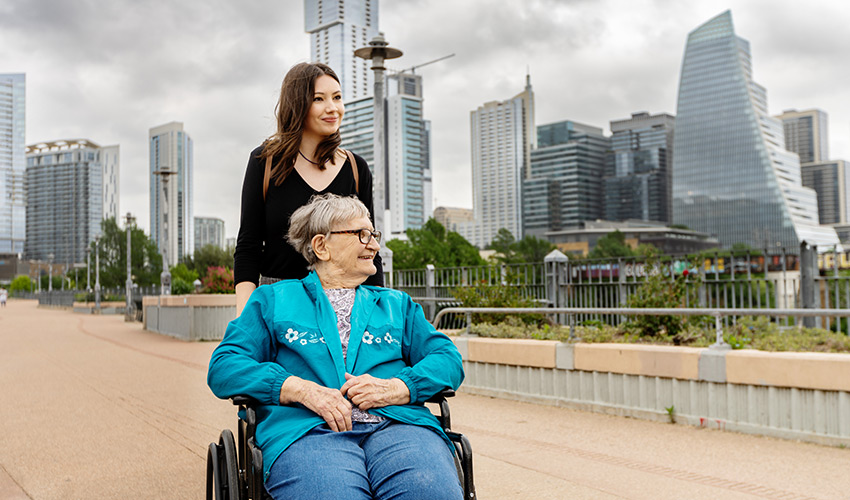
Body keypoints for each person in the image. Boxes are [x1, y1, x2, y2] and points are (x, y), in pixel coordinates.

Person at [208, 194, 464, 500]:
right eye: (361, 235)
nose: (374, 245)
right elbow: (225, 365)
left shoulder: (398, 305)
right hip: (307, 432)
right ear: (321, 246)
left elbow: (448, 359)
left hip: (400, 426)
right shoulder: (274, 300)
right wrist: (299, 389)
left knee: (430, 491)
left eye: (373, 235)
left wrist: (399, 387)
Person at [234, 62, 383, 317]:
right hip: (279, 305)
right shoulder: (264, 162)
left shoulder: (356, 169)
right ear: (297, 104)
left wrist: (379, 315)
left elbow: (368, 247)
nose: (332, 108)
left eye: (337, 97)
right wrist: (245, 320)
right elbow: (248, 247)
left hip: (344, 308)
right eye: (319, 99)